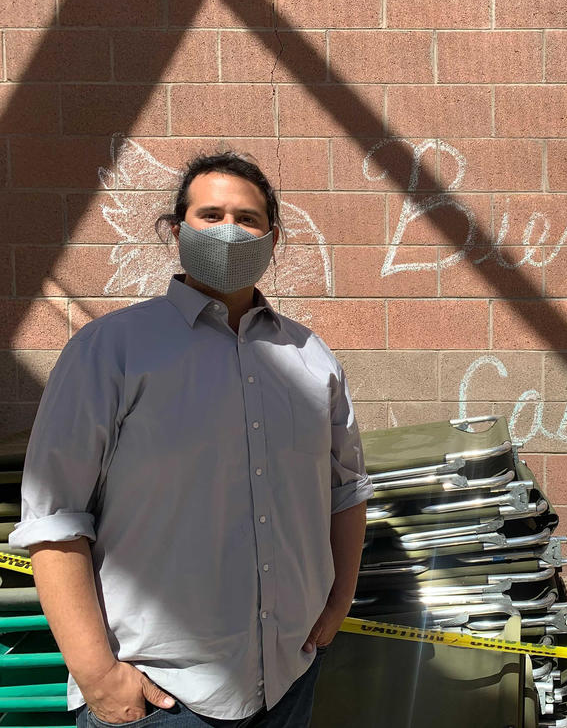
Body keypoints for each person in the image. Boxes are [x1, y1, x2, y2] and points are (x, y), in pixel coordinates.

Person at [9, 152, 373, 727]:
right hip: (160, 698)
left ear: (273, 238)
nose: (230, 230)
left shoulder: (311, 358)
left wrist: (338, 602)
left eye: (248, 219)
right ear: (177, 231)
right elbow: (54, 516)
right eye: (210, 214)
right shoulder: (112, 351)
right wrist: (97, 675)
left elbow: (346, 492)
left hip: (289, 679)